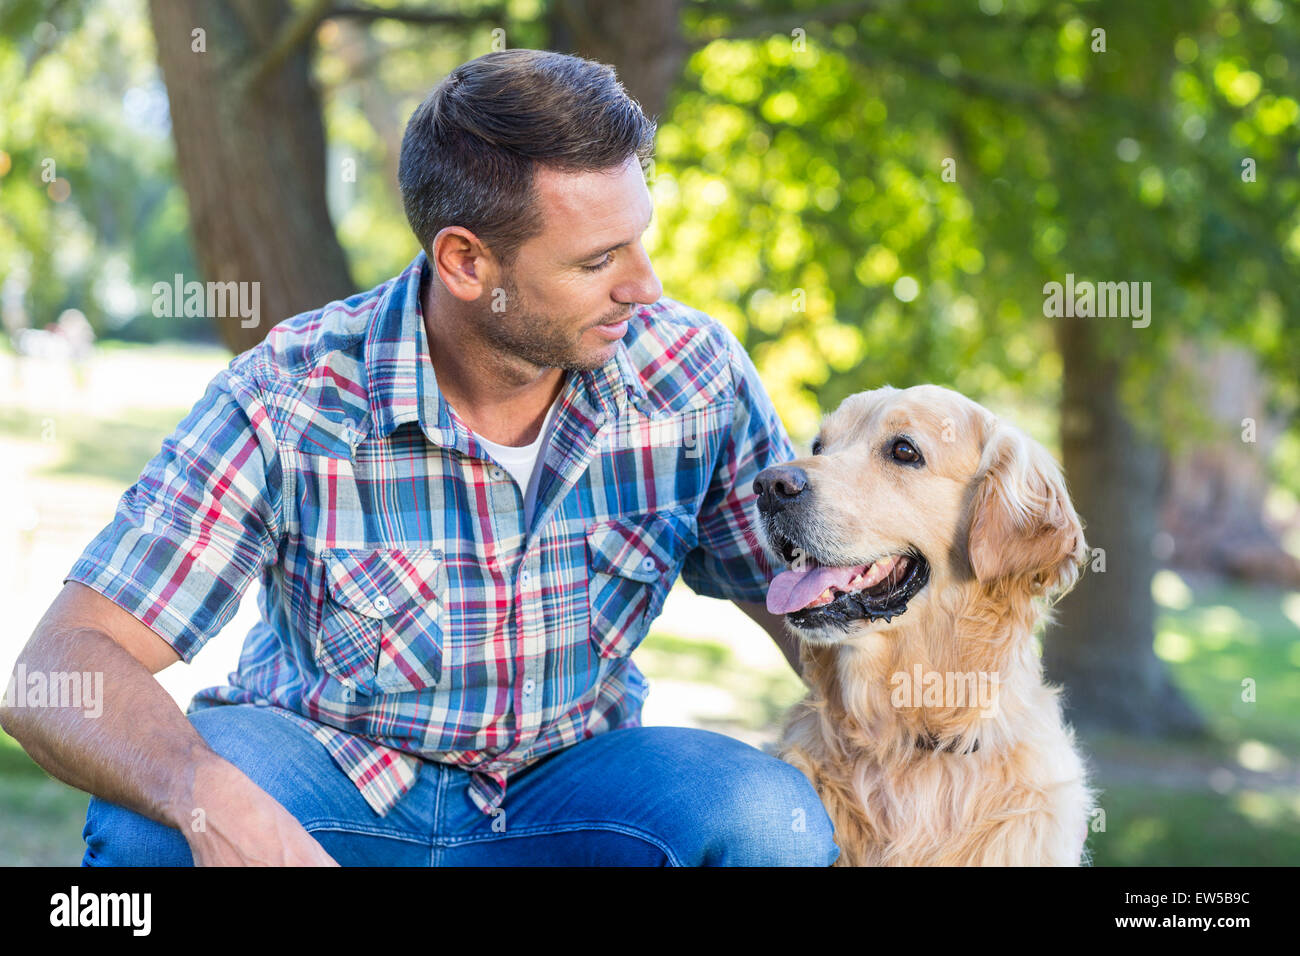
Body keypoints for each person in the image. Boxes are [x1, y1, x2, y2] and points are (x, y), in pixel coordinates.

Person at [0, 49, 838, 867]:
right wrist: (200, 791)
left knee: (774, 823)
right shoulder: (289, 396)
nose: (646, 285)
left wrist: (938, 729)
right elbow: (57, 667)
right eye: (597, 261)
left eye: (638, 241)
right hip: (332, 784)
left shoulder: (691, 376)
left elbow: (810, 601)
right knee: (154, 829)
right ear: (465, 262)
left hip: (575, 793)